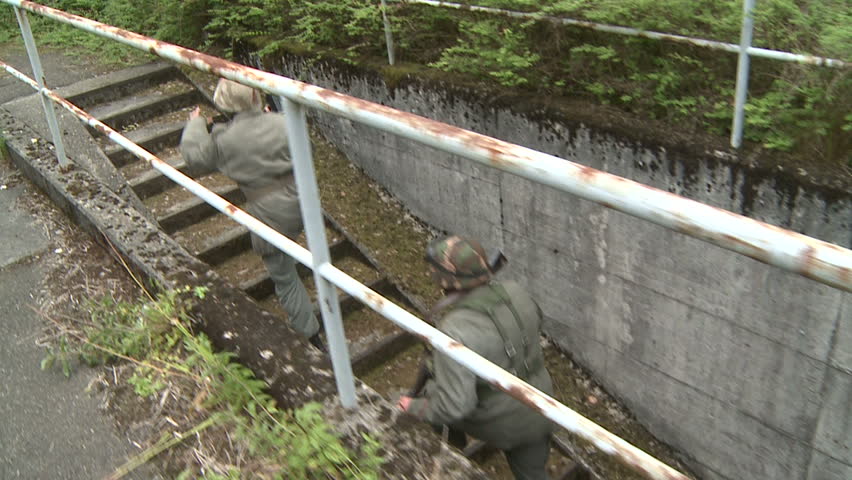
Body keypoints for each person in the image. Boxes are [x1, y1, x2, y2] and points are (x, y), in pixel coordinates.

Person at [179, 78, 324, 351]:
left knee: (283, 276)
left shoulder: (224, 140)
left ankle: (311, 336)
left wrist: (196, 124)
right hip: (305, 202)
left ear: (223, 103)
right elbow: (309, 151)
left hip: (271, 215)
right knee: (314, 256)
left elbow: (194, 157)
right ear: (256, 96)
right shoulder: (284, 122)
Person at [398, 235, 554, 480]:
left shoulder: (455, 329)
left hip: (501, 422)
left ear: (443, 279)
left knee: (432, 392)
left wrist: (414, 406)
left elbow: (455, 405)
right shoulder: (517, 291)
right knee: (533, 473)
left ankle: (453, 446)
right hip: (543, 405)